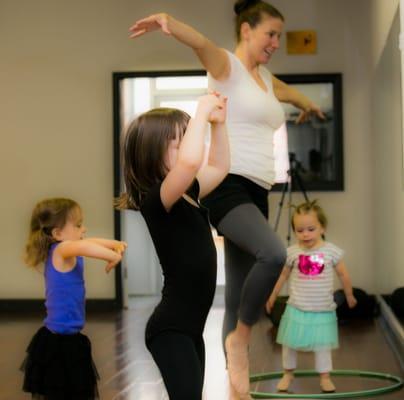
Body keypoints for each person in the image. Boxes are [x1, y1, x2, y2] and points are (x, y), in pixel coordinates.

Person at [128, 1, 325, 397]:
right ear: (246, 30)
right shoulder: (226, 67)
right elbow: (200, 43)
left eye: (279, 37)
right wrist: (170, 24)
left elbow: (215, 161)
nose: (276, 42)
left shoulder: (265, 80)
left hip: (254, 187)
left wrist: (307, 105)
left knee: (236, 293)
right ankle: (239, 342)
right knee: (273, 253)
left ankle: (238, 385)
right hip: (232, 190)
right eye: (270, 33)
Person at [116, 93, 229, 400]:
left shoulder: (187, 192)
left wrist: (218, 125)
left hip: (190, 330)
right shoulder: (158, 199)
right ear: (154, 153)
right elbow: (191, 162)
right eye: (181, 142)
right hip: (171, 330)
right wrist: (202, 111)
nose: (193, 147)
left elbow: (218, 166)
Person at [21, 197, 127, 400]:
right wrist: (111, 256)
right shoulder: (61, 250)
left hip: (70, 337)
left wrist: (115, 244)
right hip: (58, 344)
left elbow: (89, 242)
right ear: (57, 233)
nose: (84, 229)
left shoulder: (68, 249)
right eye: (78, 225)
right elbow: (86, 247)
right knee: (62, 391)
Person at [266, 200, 357, 393]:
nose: (305, 234)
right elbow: (283, 275)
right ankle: (288, 373)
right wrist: (273, 294)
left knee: (323, 345)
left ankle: (325, 376)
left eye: (310, 229)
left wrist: (349, 294)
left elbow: (343, 274)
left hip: (322, 309)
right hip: (297, 307)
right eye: (299, 230)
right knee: (289, 343)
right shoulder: (292, 252)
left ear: (322, 227)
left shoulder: (330, 251)